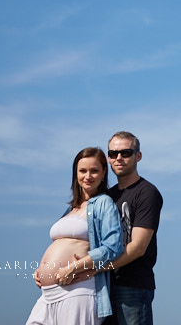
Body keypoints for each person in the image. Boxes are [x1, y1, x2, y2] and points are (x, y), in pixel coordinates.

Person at [27, 147, 124, 325]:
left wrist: (73, 268)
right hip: (48, 294)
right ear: (75, 173)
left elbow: (113, 247)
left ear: (104, 173)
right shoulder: (71, 208)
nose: (88, 176)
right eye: (82, 171)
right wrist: (41, 271)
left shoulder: (104, 203)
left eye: (94, 171)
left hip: (79, 290)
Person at [103, 131, 164, 325]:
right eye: (113, 154)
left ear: (138, 156)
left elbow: (138, 247)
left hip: (133, 286)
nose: (119, 158)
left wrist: (98, 268)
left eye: (126, 153)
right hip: (103, 286)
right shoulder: (105, 197)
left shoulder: (147, 193)